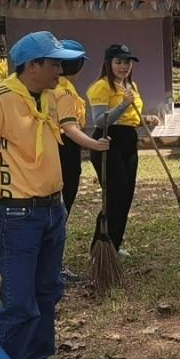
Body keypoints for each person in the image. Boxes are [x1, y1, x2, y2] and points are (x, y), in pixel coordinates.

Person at [0, 31, 88, 359]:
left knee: (48, 292)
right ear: (32, 66)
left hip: (53, 209)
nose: (60, 69)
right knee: (19, 301)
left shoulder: (49, 97)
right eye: (53, 63)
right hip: (18, 215)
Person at [50, 39, 112, 283]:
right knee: (62, 209)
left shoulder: (54, 88)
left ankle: (51, 263)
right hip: (65, 152)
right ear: (77, 65)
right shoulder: (64, 93)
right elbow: (69, 127)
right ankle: (54, 266)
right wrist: (94, 144)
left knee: (58, 210)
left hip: (58, 151)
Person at [87, 43, 158, 254]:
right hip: (108, 142)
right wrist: (123, 105)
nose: (124, 67)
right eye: (118, 62)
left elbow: (129, 118)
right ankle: (100, 249)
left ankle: (114, 246)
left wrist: (145, 119)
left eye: (127, 62)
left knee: (126, 196)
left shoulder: (130, 86)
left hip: (128, 141)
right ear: (108, 64)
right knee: (114, 197)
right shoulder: (101, 87)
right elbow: (99, 121)